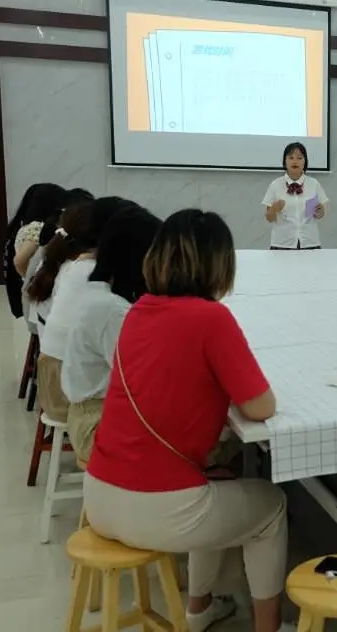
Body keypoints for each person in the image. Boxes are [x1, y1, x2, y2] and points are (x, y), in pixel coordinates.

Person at [84, 210, 289, 632]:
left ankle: (200, 609)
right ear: (220, 264)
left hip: (100, 495)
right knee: (271, 508)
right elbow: (261, 406)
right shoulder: (211, 318)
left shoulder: (137, 310)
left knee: (216, 481)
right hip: (159, 506)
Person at [61, 204, 162, 463]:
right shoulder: (111, 310)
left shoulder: (98, 291)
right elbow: (139, 383)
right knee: (209, 437)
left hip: (91, 415)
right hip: (98, 424)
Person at [27, 197, 130, 423]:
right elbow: (123, 362)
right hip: (69, 397)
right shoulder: (91, 273)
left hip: (52, 384)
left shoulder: (72, 266)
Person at [3, 183, 70, 319]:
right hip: (37, 290)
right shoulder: (37, 228)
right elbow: (19, 260)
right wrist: (33, 278)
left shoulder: (23, 225)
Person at [262, 142, 328, 250]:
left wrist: (320, 211)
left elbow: (320, 214)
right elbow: (269, 218)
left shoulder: (314, 184)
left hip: (310, 242)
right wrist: (273, 209)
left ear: (305, 162)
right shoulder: (275, 185)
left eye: (299, 158)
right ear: (285, 161)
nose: (295, 161)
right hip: (282, 244)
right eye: (291, 157)